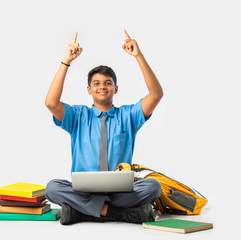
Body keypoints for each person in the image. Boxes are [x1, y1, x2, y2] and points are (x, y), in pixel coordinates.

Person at [44, 30, 164, 225]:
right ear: (89, 89)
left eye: (108, 83)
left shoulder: (128, 116)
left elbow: (156, 94)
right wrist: (66, 61)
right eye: (96, 83)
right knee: (52, 188)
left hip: (119, 192)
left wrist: (138, 56)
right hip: (84, 190)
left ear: (116, 89)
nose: (102, 87)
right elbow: (50, 102)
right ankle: (118, 213)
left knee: (153, 187)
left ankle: (82, 211)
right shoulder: (78, 116)